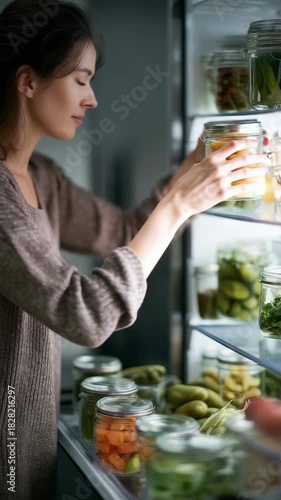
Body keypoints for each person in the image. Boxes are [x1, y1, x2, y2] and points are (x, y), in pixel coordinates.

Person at [0, 1, 266, 499]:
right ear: (28, 81)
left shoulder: (42, 179)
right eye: (81, 80)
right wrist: (178, 204)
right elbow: (85, 317)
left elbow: (124, 231)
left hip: (30, 438)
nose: (93, 98)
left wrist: (189, 176)